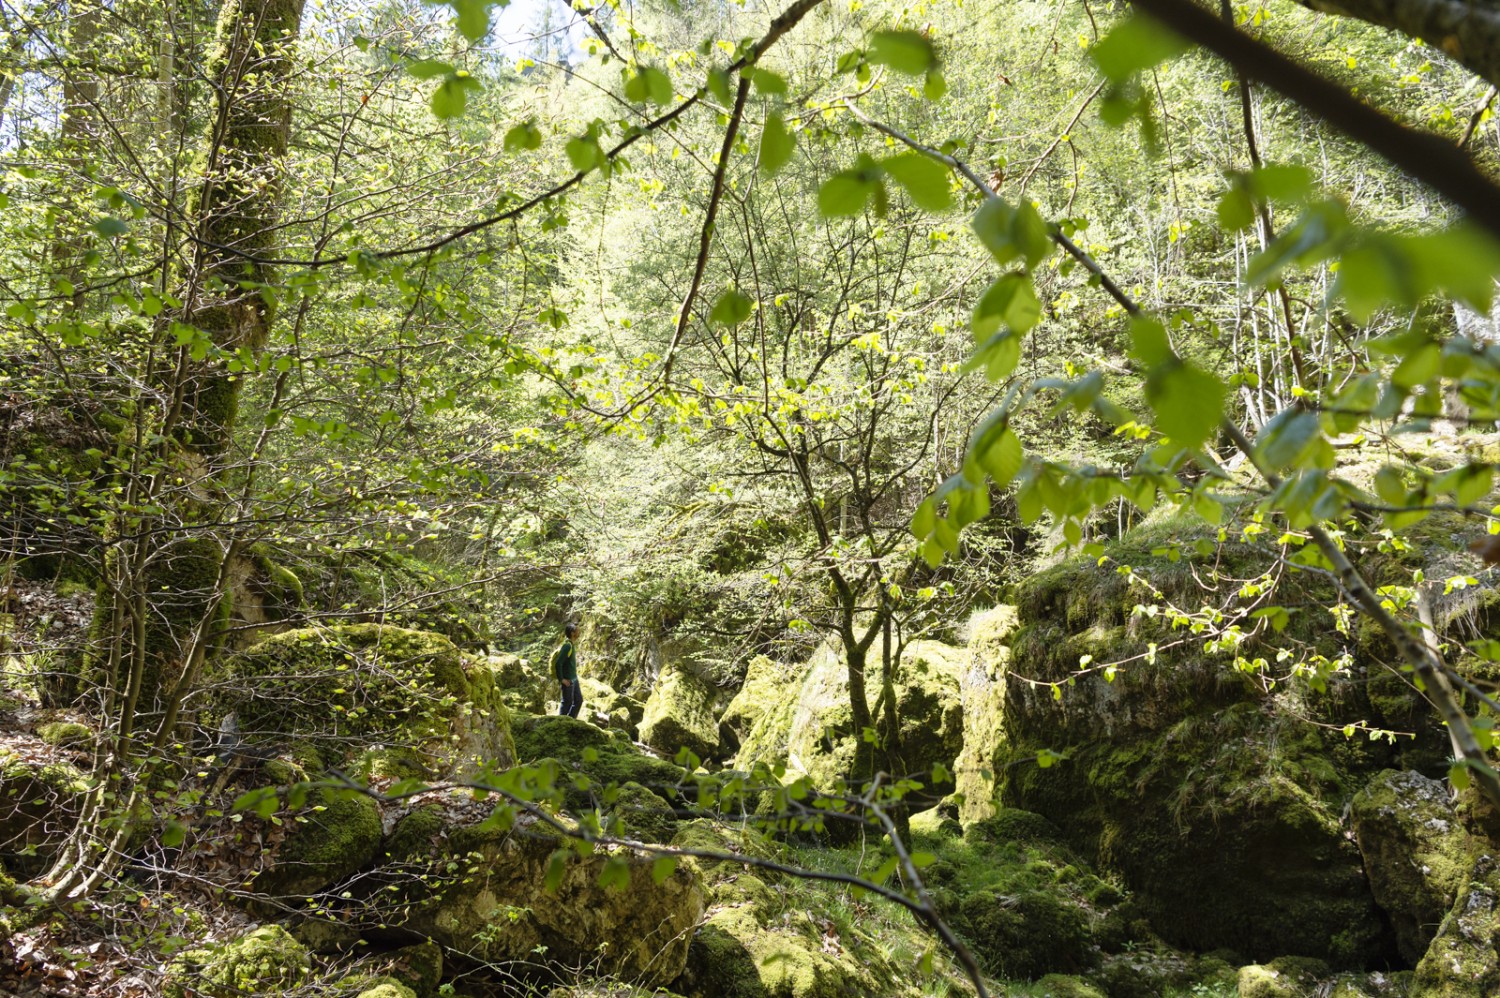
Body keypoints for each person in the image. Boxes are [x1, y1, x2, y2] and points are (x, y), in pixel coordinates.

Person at [552, 621, 583, 718]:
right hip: (568, 680)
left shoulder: (572, 645)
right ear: (572, 633)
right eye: (577, 630)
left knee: (578, 700)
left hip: (574, 679)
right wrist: (562, 679)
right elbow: (558, 663)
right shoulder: (567, 646)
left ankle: (570, 720)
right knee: (567, 703)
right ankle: (560, 723)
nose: (579, 631)